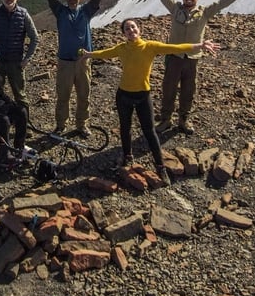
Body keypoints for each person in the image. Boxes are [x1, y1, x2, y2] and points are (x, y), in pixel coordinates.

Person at [79, 18, 209, 186]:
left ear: (139, 29)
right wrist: (88, 55)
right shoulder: (122, 48)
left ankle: (160, 166)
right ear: (124, 33)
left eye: (133, 27)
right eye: (127, 29)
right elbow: (105, 53)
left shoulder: (150, 46)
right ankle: (127, 156)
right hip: (123, 95)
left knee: (149, 132)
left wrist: (199, 46)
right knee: (125, 129)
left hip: (143, 96)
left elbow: (175, 48)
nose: (131, 30)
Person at [139, 0, 252, 133]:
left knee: (188, 91)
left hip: (192, 58)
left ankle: (184, 120)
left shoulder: (205, 12)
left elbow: (222, 3)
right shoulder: (175, 8)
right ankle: (166, 119)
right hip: (174, 56)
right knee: (168, 89)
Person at [46, 0, 100, 136]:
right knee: (63, 96)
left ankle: (82, 124)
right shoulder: (60, 11)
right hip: (65, 62)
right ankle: (61, 125)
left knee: (84, 95)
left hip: (83, 61)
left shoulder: (86, 11)